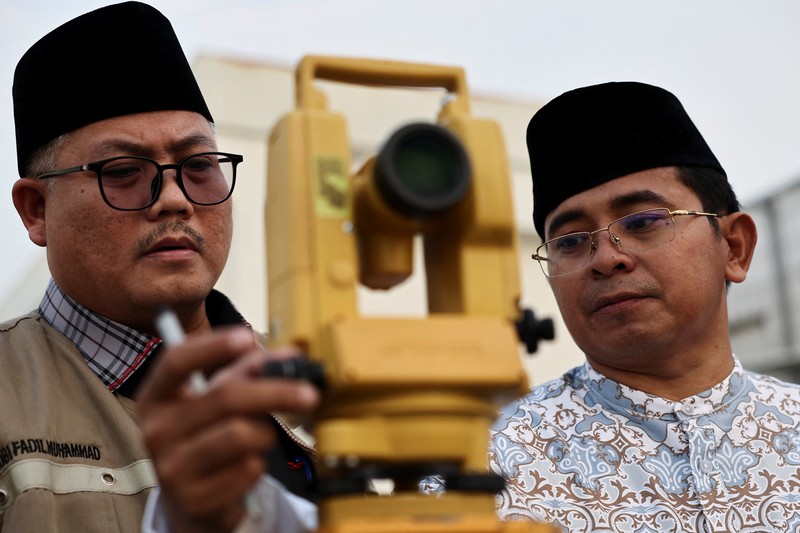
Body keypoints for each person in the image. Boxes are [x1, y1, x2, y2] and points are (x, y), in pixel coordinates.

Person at [2, 2, 319, 532]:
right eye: (124, 171)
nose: (173, 199)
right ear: (37, 210)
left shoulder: (316, 385)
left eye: (198, 166)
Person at [489, 81, 800, 532]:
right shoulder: (489, 472)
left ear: (733, 247)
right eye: (572, 240)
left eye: (643, 222)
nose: (607, 257)